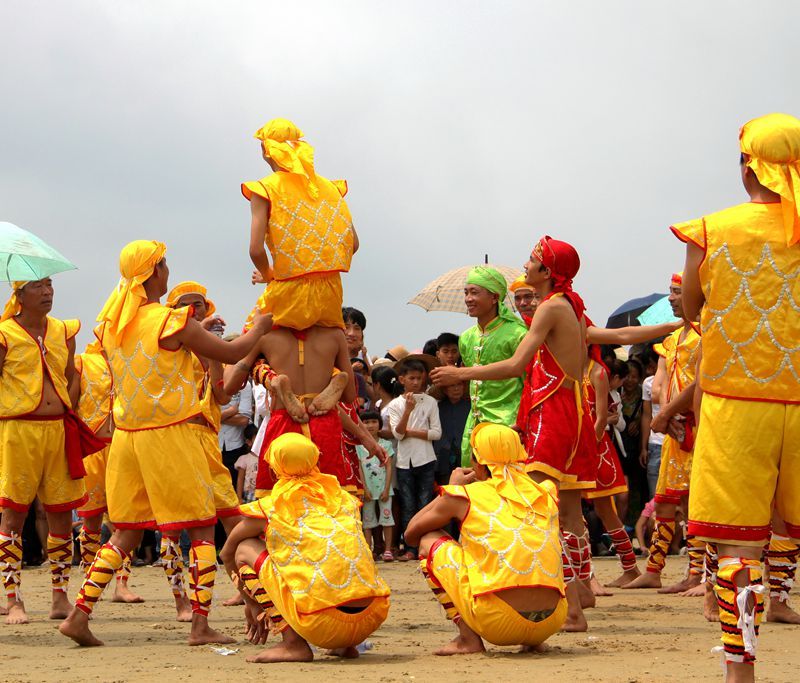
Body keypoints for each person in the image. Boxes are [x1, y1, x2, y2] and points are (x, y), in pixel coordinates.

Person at [432, 236, 678, 632]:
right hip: (573, 414)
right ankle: (582, 594)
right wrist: (674, 324)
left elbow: (516, 365)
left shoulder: (551, 308)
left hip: (552, 414)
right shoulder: (571, 307)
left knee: (543, 512)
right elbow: (617, 338)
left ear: (547, 273)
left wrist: (460, 373)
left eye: (532, 262)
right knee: (569, 513)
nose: (526, 267)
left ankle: (573, 609)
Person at [59, 239, 272, 647]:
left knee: (125, 533)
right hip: (172, 435)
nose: (168, 270)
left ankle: (79, 615)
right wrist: (260, 328)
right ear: (155, 271)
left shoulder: (110, 326)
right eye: (165, 264)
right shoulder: (168, 320)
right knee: (202, 530)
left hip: (129, 439)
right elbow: (231, 352)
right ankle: (200, 624)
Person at [671, 113, 800, 679]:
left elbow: (693, 310)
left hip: (735, 402)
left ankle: (740, 670)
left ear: (746, 164)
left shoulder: (710, 229)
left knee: (737, 550)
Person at [219, 433, 390, 663]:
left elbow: (227, 553)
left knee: (244, 548)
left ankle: (293, 644)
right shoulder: (342, 498)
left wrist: (250, 602)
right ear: (315, 462)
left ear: (274, 469)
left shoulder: (272, 507)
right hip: (372, 616)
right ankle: (346, 646)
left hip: (321, 623)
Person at [405, 423, 566, 655]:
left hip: (498, 623)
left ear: (478, 463)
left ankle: (468, 639)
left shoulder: (466, 496)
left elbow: (411, 534)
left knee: (428, 540)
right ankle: (534, 640)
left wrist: (451, 489)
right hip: (551, 623)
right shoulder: (546, 492)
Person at [0, 278, 100, 625]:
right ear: (19, 296)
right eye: (38, 287)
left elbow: (72, 374)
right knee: (14, 515)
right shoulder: (4, 334)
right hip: (18, 431)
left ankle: (59, 597)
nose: (47, 292)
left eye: (50, 285)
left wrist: (67, 402)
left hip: (58, 428)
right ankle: (14, 601)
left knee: (60, 515)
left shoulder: (63, 331)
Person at [623, 272, 703, 592]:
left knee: (697, 502)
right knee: (665, 502)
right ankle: (654, 569)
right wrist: (666, 415)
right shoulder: (673, 339)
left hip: (698, 427)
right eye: (671, 292)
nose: (671, 298)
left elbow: (700, 383)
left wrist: (668, 412)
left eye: (677, 292)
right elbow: (659, 389)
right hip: (673, 429)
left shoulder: (705, 335)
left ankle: (697, 573)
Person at [243, 118, 358, 332]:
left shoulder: (264, 189)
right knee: (332, 355)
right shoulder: (331, 188)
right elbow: (353, 244)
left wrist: (269, 274)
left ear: (265, 149)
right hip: (331, 293)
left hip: (289, 291)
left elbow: (255, 250)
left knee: (248, 346)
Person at [72, 340, 143, 605]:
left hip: (123, 447)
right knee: (90, 520)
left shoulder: (132, 358)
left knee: (126, 519)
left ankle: (122, 584)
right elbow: (72, 402)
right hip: (91, 449)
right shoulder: (83, 362)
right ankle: (92, 579)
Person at [457, 267, 528, 465]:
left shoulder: (518, 334)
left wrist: (522, 422)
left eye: (474, 292)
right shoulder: (466, 338)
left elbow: (529, 383)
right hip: (474, 426)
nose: (468, 299)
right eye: (466, 292)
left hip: (508, 426)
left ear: (495, 297)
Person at [583, 355, 640, 587]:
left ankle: (625, 569)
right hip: (578, 444)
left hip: (593, 447)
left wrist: (586, 447)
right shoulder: (566, 365)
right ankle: (589, 575)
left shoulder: (596, 372)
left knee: (604, 510)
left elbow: (601, 417)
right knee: (572, 511)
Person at [387, 356, 442, 561]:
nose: (417, 382)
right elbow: (398, 434)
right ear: (402, 380)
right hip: (404, 461)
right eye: (412, 378)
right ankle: (410, 547)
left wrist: (412, 431)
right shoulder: (395, 405)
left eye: (420, 378)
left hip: (426, 459)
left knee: (426, 503)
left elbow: (437, 433)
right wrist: (408, 412)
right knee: (408, 504)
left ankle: (425, 546)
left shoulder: (431, 402)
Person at [356, 411, 395, 562]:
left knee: (387, 518)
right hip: (368, 491)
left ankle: (387, 550)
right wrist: (364, 489)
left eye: (374, 421)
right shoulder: (359, 447)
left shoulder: (386, 445)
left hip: (384, 490)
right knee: (368, 521)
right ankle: (368, 549)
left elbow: (389, 468)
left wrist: (386, 488)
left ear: (380, 425)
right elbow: (359, 469)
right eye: (366, 422)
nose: (370, 425)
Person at [434, 382, 470, 486]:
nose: (456, 389)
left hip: (465, 453)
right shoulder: (438, 407)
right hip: (443, 455)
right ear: (445, 390)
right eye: (452, 385)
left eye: (459, 385)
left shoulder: (470, 407)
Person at [234, 423, 260, 503]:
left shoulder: (267, 457)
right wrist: (239, 497)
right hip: (249, 495)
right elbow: (240, 479)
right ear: (249, 442)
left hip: (263, 493)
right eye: (257, 439)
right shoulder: (244, 459)